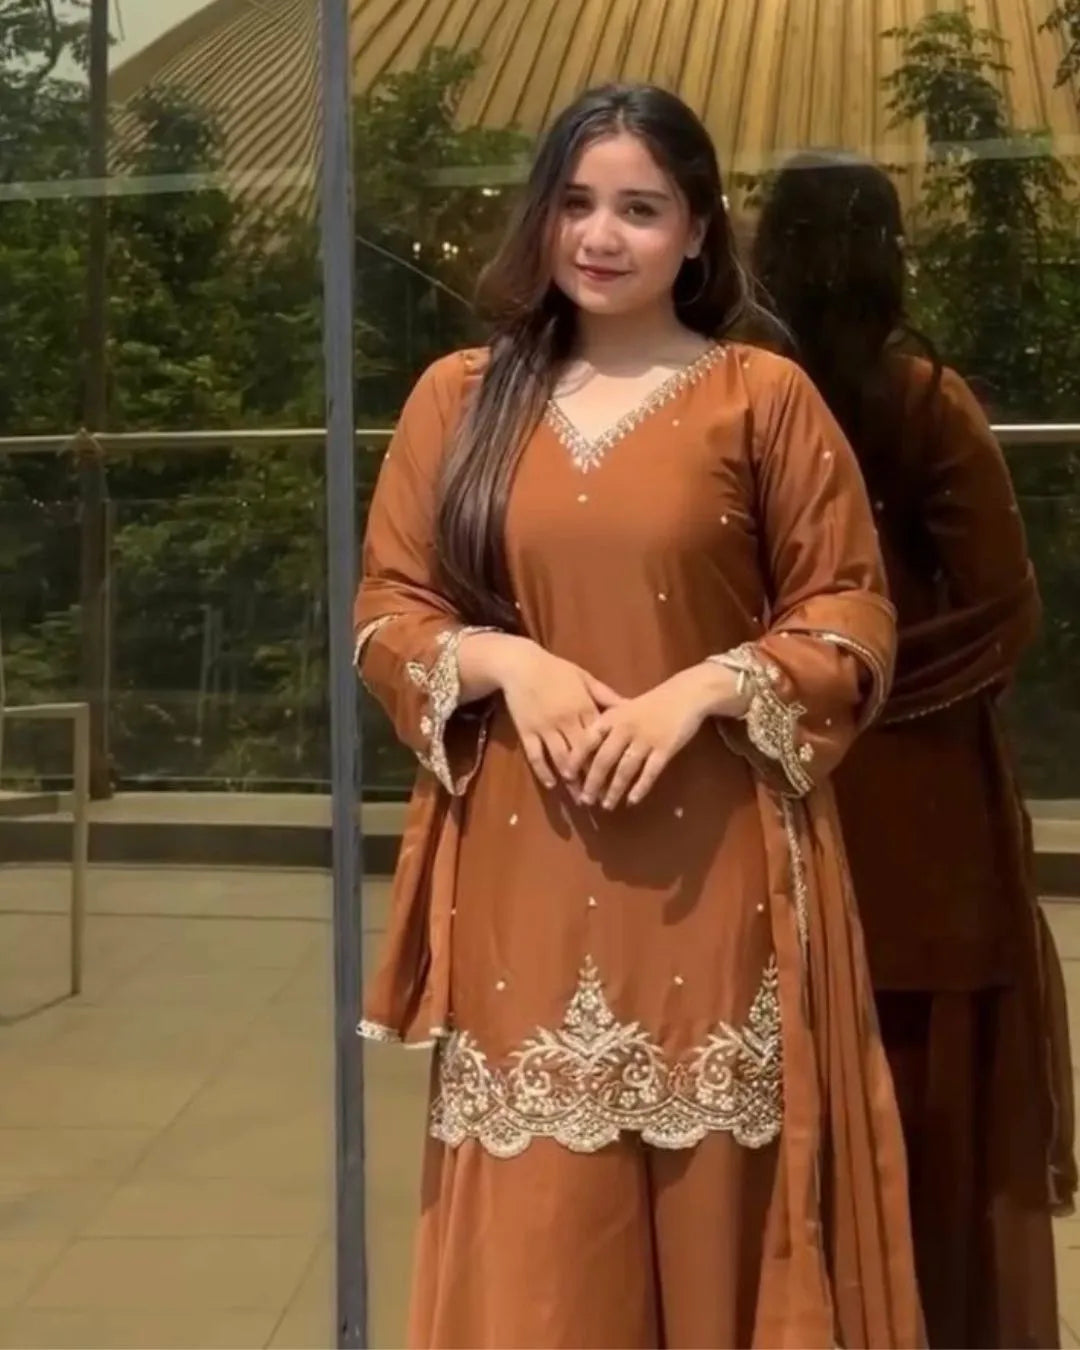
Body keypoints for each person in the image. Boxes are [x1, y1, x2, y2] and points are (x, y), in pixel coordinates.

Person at [355, 87, 922, 1349]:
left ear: (698, 233)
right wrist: (505, 658)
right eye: (575, 202)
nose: (599, 235)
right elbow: (388, 607)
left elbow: (850, 611)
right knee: (541, 1245)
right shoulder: (461, 398)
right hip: (525, 870)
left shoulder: (761, 398)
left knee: (720, 1212)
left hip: (713, 874)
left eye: (639, 208)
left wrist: (703, 689)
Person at [752, 149, 1076, 1350]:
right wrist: (867, 690)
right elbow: (1006, 607)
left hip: (813, 773)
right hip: (908, 792)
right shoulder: (903, 398)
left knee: (846, 1074)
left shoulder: (767, 392)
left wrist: (813, 693)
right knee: (916, 1100)